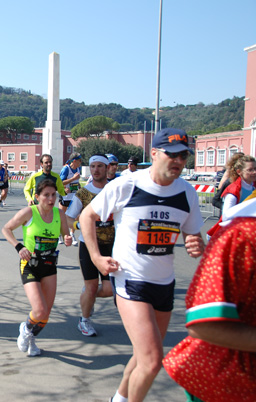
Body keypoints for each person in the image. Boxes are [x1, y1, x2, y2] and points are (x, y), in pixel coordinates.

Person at [79, 128, 205, 402]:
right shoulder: (127, 185)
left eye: (183, 156)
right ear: (155, 153)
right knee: (152, 360)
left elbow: (193, 234)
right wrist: (97, 258)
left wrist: (196, 243)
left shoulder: (188, 193)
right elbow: (86, 217)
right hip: (129, 280)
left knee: (143, 355)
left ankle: (119, 399)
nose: (178, 161)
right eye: (172, 155)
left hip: (164, 283)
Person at [163, 197, 256, 402]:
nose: (177, 161)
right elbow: (205, 324)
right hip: (230, 383)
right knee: (149, 358)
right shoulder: (243, 233)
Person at [2, 180, 72, 356]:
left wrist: (68, 239)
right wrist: (19, 247)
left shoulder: (59, 214)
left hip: (49, 266)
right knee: (39, 310)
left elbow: (65, 234)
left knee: (45, 315)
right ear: (37, 197)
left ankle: (31, 338)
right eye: (46, 195)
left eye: (53, 195)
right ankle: (25, 330)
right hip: (30, 265)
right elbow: (6, 229)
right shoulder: (29, 212)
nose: (51, 199)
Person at [65, 154, 114, 337]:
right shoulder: (83, 193)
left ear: (107, 169)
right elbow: (69, 218)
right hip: (89, 246)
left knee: (109, 289)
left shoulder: (114, 190)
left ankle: (88, 295)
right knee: (93, 286)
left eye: (100, 166)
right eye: (93, 166)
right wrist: (79, 226)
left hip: (111, 244)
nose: (96, 170)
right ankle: (84, 320)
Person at [207, 154, 256, 237]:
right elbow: (227, 216)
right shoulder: (233, 190)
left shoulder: (253, 187)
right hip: (230, 235)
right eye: (250, 170)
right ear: (239, 172)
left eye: (255, 169)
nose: (254, 172)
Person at [60, 152, 82, 245]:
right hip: (65, 196)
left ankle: (72, 234)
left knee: (76, 216)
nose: (81, 162)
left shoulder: (78, 169)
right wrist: (72, 179)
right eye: (79, 160)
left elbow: (77, 181)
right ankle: (60, 235)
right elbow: (60, 182)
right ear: (74, 161)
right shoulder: (66, 169)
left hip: (74, 196)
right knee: (62, 215)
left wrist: (79, 187)